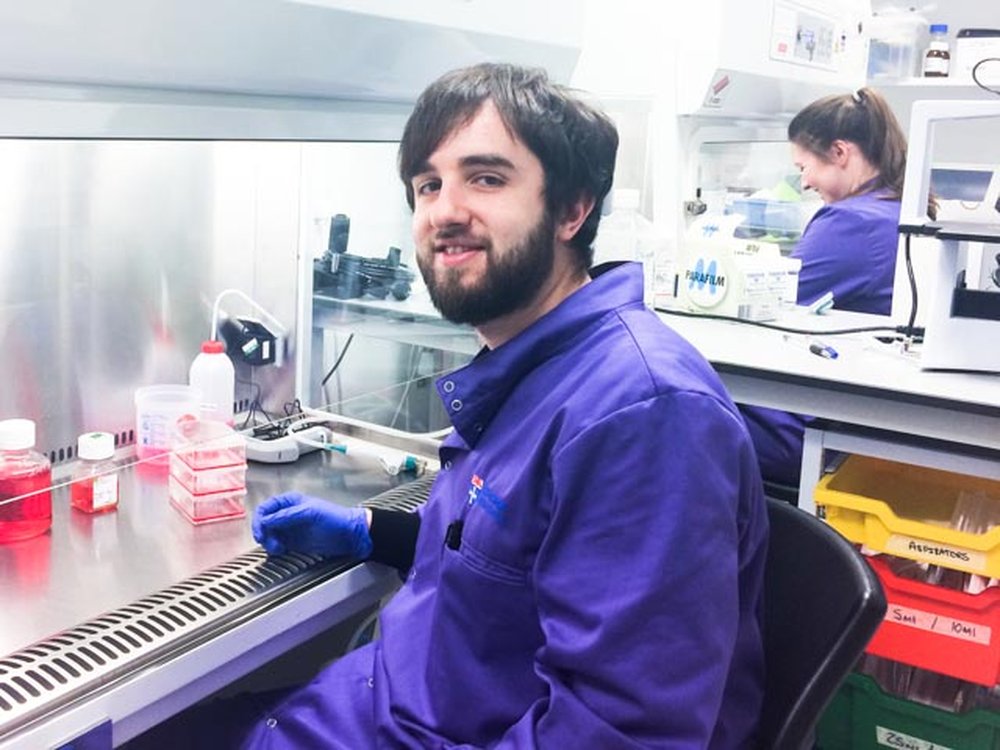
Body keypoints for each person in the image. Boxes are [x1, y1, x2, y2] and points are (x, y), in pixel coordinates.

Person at [135, 62, 768, 749]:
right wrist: (374, 533)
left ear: (572, 208)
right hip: (367, 707)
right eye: (428, 185)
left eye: (487, 178)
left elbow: (621, 732)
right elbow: (511, 567)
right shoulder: (533, 366)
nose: (444, 210)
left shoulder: (641, 414)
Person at [741, 86, 928, 490]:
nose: (804, 182)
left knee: (686, 407)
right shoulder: (897, 207)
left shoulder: (852, 223)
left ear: (840, 152)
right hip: (864, 417)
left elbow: (770, 299)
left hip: (811, 428)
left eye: (804, 166)